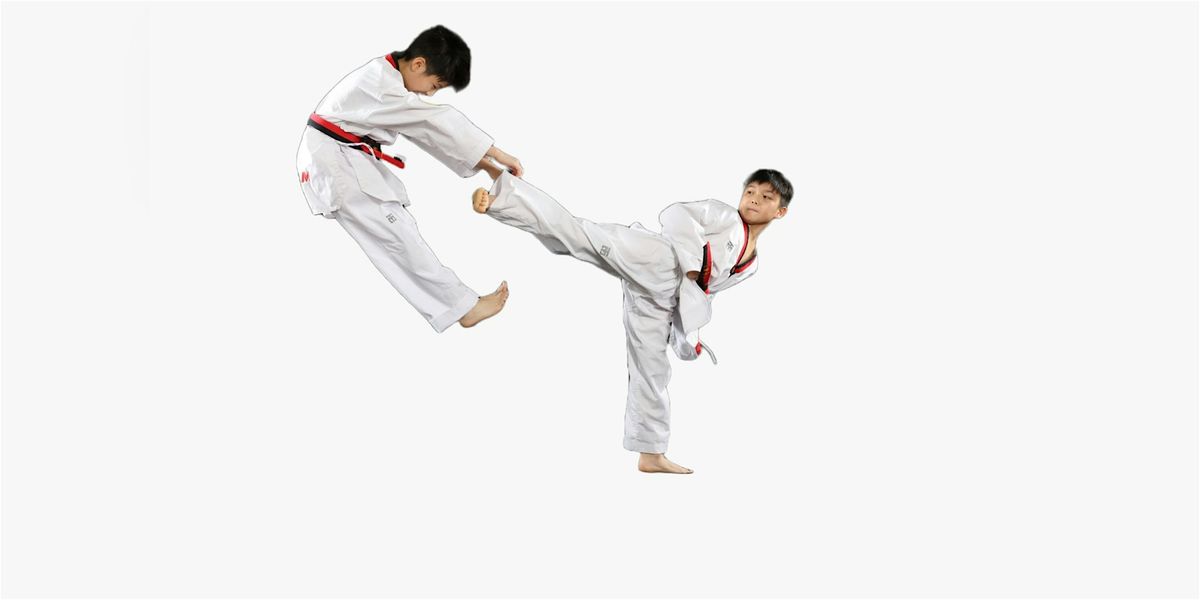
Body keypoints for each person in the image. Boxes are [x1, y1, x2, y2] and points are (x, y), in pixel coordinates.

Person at [470, 165, 794, 474]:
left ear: (780, 212)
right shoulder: (725, 216)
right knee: (579, 236)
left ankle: (651, 454)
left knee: (652, 369)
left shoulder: (751, 265)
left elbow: (705, 293)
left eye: (766, 196)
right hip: (658, 258)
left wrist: (688, 335)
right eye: (750, 191)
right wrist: (692, 263)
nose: (754, 199)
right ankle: (504, 198)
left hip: (664, 298)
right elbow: (676, 215)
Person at [296, 25, 524, 332]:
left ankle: (458, 305)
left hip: (337, 159)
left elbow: (423, 130)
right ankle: (463, 307)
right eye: (435, 85)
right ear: (418, 64)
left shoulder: (385, 77)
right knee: (398, 236)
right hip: (336, 162)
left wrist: (486, 165)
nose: (430, 93)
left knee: (397, 235)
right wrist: (497, 154)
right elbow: (433, 121)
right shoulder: (381, 84)